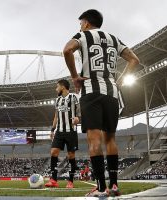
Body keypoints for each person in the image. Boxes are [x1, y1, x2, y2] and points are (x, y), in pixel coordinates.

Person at [62, 9, 139, 197]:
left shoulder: (83, 35)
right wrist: (120, 79)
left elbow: (67, 50)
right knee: (110, 139)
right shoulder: (114, 38)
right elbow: (134, 60)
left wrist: (74, 77)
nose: (80, 26)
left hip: (91, 91)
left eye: (81, 23)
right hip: (112, 92)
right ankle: (114, 185)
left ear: (86, 23)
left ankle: (101, 187)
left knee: (94, 139)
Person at [45, 79, 80, 189]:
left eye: (57, 87)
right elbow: (56, 116)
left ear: (63, 87)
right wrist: (52, 130)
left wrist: (78, 118)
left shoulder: (74, 97)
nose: (56, 89)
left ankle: (70, 181)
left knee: (71, 156)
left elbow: (80, 111)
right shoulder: (58, 100)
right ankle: (54, 180)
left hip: (71, 131)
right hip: (59, 131)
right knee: (53, 152)